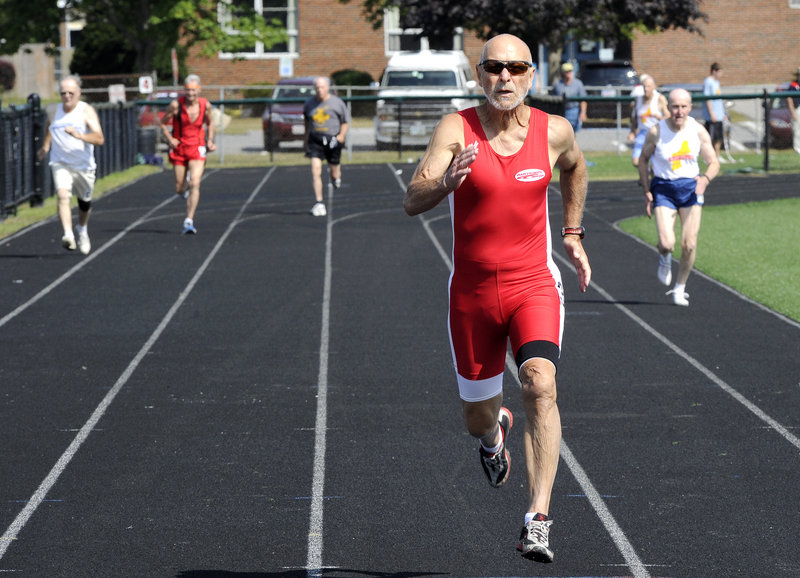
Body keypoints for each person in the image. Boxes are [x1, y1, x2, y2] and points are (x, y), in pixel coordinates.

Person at [404, 34, 591, 563]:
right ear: (479, 73)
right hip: (472, 292)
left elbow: (575, 168)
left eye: (515, 68)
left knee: (541, 383)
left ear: (532, 74)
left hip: (533, 282)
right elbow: (411, 199)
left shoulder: (555, 131)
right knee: (476, 417)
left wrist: (572, 233)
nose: (504, 78)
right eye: (493, 68)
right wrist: (445, 184)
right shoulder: (456, 129)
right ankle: (494, 438)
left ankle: (537, 518)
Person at [638, 88, 720, 307]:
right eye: (675, 106)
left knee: (689, 244)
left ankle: (680, 287)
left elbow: (714, 162)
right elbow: (643, 160)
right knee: (667, 242)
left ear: (690, 108)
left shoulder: (698, 130)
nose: (679, 111)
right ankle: (664, 257)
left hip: (690, 189)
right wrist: (647, 190)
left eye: (683, 106)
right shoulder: (656, 131)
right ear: (668, 107)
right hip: (664, 188)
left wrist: (704, 180)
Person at [37, 75, 105, 255]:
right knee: (62, 195)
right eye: (63, 93)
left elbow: (99, 138)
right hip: (60, 162)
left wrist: (79, 136)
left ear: (79, 93)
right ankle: (68, 234)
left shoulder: (86, 111)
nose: (67, 96)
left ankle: (82, 229)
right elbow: (50, 125)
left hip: (84, 165)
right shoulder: (53, 110)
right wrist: (45, 145)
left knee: (85, 204)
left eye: (71, 93)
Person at [161, 74, 216, 234]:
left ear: (199, 90)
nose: (190, 94)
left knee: (195, 183)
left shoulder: (206, 105)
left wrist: (210, 140)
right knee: (180, 188)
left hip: (197, 147)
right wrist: (170, 139)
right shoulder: (175, 106)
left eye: (194, 90)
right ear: (184, 91)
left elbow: (210, 122)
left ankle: (189, 220)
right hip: (180, 148)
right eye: (188, 90)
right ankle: (183, 186)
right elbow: (163, 123)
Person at [303, 76, 350, 217]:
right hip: (315, 140)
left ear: (328, 87)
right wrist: (305, 139)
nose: (319, 90)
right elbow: (306, 122)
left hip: (333, 140)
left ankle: (336, 177)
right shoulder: (309, 104)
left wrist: (341, 135)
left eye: (322, 87)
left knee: (334, 170)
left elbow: (345, 121)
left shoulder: (337, 103)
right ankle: (319, 202)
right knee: (315, 169)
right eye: (317, 87)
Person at [628, 74, 669, 167]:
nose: (646, 89)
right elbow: (635, 118)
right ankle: (645, 175)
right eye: (644, 86)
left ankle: (647, 178)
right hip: (642, 133)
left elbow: (668, 116)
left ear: (654, 87)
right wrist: (632, 132)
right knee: (636, 161)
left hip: (657, 133)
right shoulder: (638, 100)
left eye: (648, 86)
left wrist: (659, 117)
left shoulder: (659, 98)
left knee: (655, 164)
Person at [550, 62, 587, 132]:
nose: (569, 73)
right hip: (561, 111)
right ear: (563, 72)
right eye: (567, 71)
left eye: (570, 71)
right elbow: (553, 100)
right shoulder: (557, 84)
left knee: (573, 133)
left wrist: (583, 112)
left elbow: (583, 99)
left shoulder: (578, 84)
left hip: (574, 110)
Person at [702, 62, 726, 160]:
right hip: (712, 117)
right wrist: (712, 113)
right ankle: (709, 157)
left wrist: (723, 113)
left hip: (719, 115)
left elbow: (719, 100)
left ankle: (717, 156)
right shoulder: (708, 82)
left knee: (719, 138)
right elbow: (707, 98)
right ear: (714, 71)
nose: (721, 74)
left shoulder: (717, 83)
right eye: (719, 72)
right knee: (711, 138)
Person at [789, 67, 800, 155]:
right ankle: (797, 148)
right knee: (797, 130)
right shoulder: (793, 85)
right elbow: (789, 98)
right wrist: (792, 111)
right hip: (797, 109)